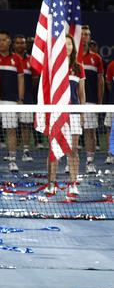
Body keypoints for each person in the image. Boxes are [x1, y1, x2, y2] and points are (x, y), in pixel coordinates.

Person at [46, 35, 85, 197]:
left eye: (69, 44)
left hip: (74, 114)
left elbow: (81, 93)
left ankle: (73, 184)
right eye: (64, 44)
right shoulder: (53, 66)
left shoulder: (78, 67)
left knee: (73, 150)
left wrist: (83, 112)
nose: (67, 46)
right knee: (54, 150)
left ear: (72, 47)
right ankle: (51, 183)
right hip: (56, 114)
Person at [0, 30, 25, 172]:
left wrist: (20, 99)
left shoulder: (16, 59)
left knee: (11, 131)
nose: (2, 42)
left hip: (11, 101)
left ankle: (12, 160)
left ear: (9, 42)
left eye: (5, 40)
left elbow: (21, 79)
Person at [78, 25, 104, 174]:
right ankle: (71, 162)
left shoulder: (97, 58)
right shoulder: (71, 56)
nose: (85, 37)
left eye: (87, 34)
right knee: (72, 133)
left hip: (91, 101)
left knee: (90, 132)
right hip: (73, 103)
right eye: (82, 34)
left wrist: (99, 103)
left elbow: (100, 82)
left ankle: (89, 162)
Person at [13, 34, 36, 162]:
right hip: (11, 98)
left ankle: (26, 150)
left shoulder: (32, 60)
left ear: (25, 45)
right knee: (11, 127)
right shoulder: (11, 58)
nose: (20, 45)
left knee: (26, 125)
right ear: (14, 45)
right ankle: (12, 153)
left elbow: (35, 80)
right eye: (17, 43)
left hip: (27, 99)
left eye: (22, 43)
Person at [105, 58, 114, 165]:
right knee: (110, 128)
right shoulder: (111, 65)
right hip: (113, 103)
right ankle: (110, 154)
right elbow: (108, 84)